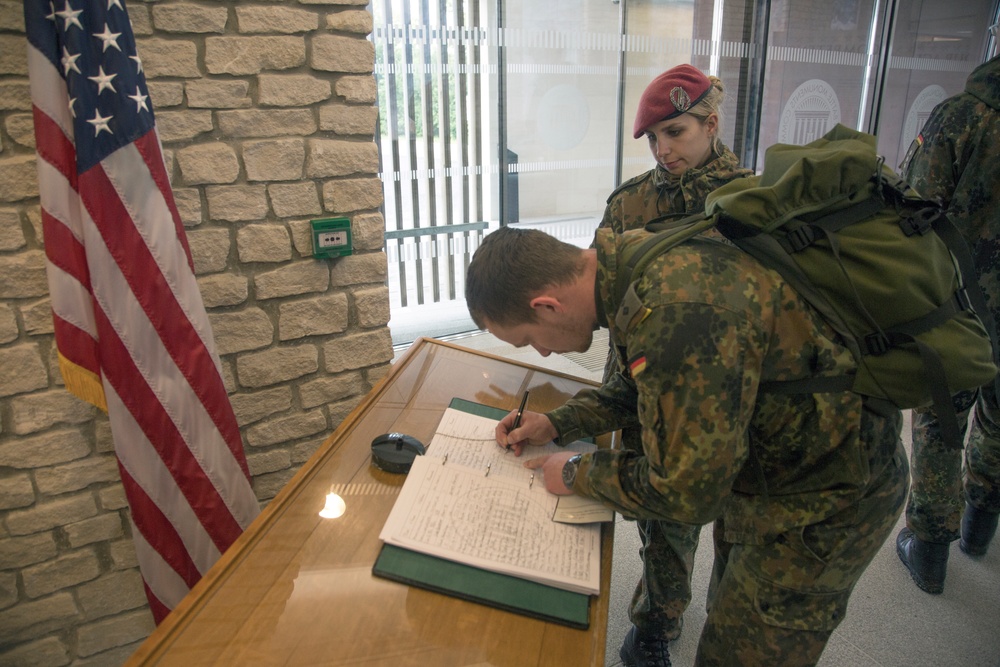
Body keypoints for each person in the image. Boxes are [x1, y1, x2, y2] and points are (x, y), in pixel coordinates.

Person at [465, 225, 908, 667]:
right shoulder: (627, 265)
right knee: (728, 607)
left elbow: (687, 492)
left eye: (529, 340)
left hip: (826, 495)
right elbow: (641, 388)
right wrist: (559, 421)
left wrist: (575, 470)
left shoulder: (673, 312)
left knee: (738, 653)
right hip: (768, 466)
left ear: (546, 305)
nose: (541, 354)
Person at [594, 63, 754, 666]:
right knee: (665, 521)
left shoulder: (754, 201)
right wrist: (616, 391)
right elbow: (605, 298)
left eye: (676, 133)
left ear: (711, 124)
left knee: (739, 517)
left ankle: (725, 619)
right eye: (654, 139)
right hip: (647, 387)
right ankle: (657, 624)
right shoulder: (631, 203)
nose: (664, 150)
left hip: (739, 395)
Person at [894, 49, 1000, 594]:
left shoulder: (964, 116)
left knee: (942, 420)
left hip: (959, 307)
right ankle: (981, 522)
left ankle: (930, 547)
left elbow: (911, 210)